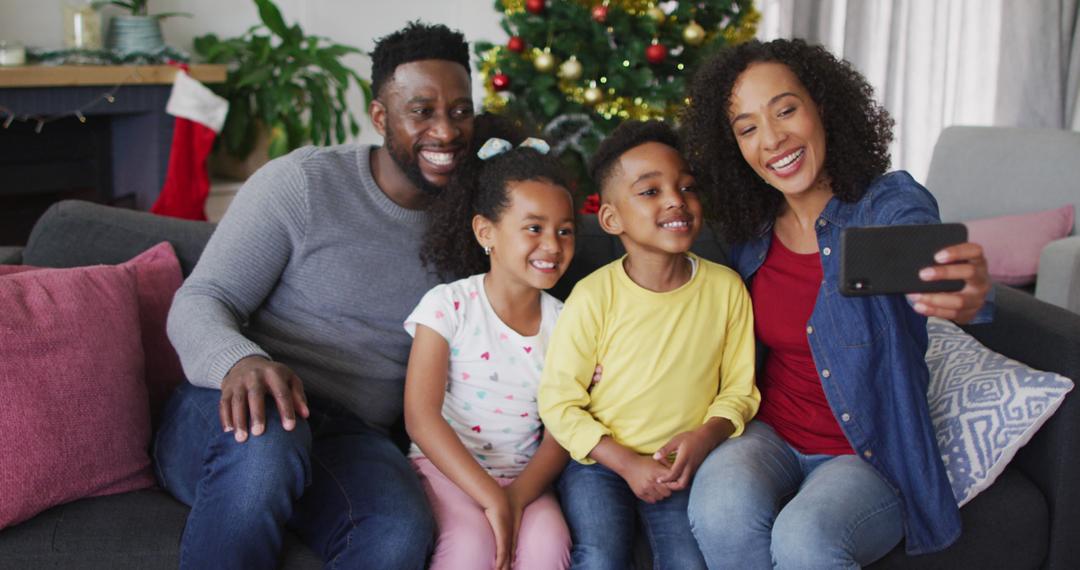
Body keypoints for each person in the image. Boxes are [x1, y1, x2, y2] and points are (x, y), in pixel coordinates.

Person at [153, 22, 476, 569]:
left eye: (461, 110)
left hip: (349, 438)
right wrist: (243, 361)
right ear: (380, 118)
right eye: (421, 111)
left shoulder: (481, 218)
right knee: (265, 448)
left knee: (399, 532)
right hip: (230, 411)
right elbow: (201, 298)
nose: (446, 131)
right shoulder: (302, 184)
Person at [680, 39, 993, 569]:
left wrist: (962, 289)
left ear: (821, 105)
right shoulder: (751, 235)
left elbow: (924, 246)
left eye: (785, 110)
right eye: (748, 128)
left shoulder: (887, 203)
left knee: (804, 538)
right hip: (771, 434)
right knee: (718, 509)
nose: (773, 138)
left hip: (864, 453)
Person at [537, 120, 761, 570]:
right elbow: (559, 402)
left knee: (689, 562)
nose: (677, 200)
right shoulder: (594, 295)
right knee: (600, 557)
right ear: (611, 218)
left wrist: (704, 437)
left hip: (678, 463)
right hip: (599, 462)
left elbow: (740, 391)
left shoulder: (726, 289)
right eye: (650, 191)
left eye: (686, 187)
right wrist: (624, 463)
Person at [403, 130, 574, 570]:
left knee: (549, 544)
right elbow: (420, 417)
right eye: (534, 228)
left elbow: (561, 433)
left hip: (523, 479)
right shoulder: (449, 307)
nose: (552, 245)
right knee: (470, 548)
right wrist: (489, 499)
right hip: (446, 471)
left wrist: (513, 499)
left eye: (564, 231)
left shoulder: (569, 323)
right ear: (486, 231)